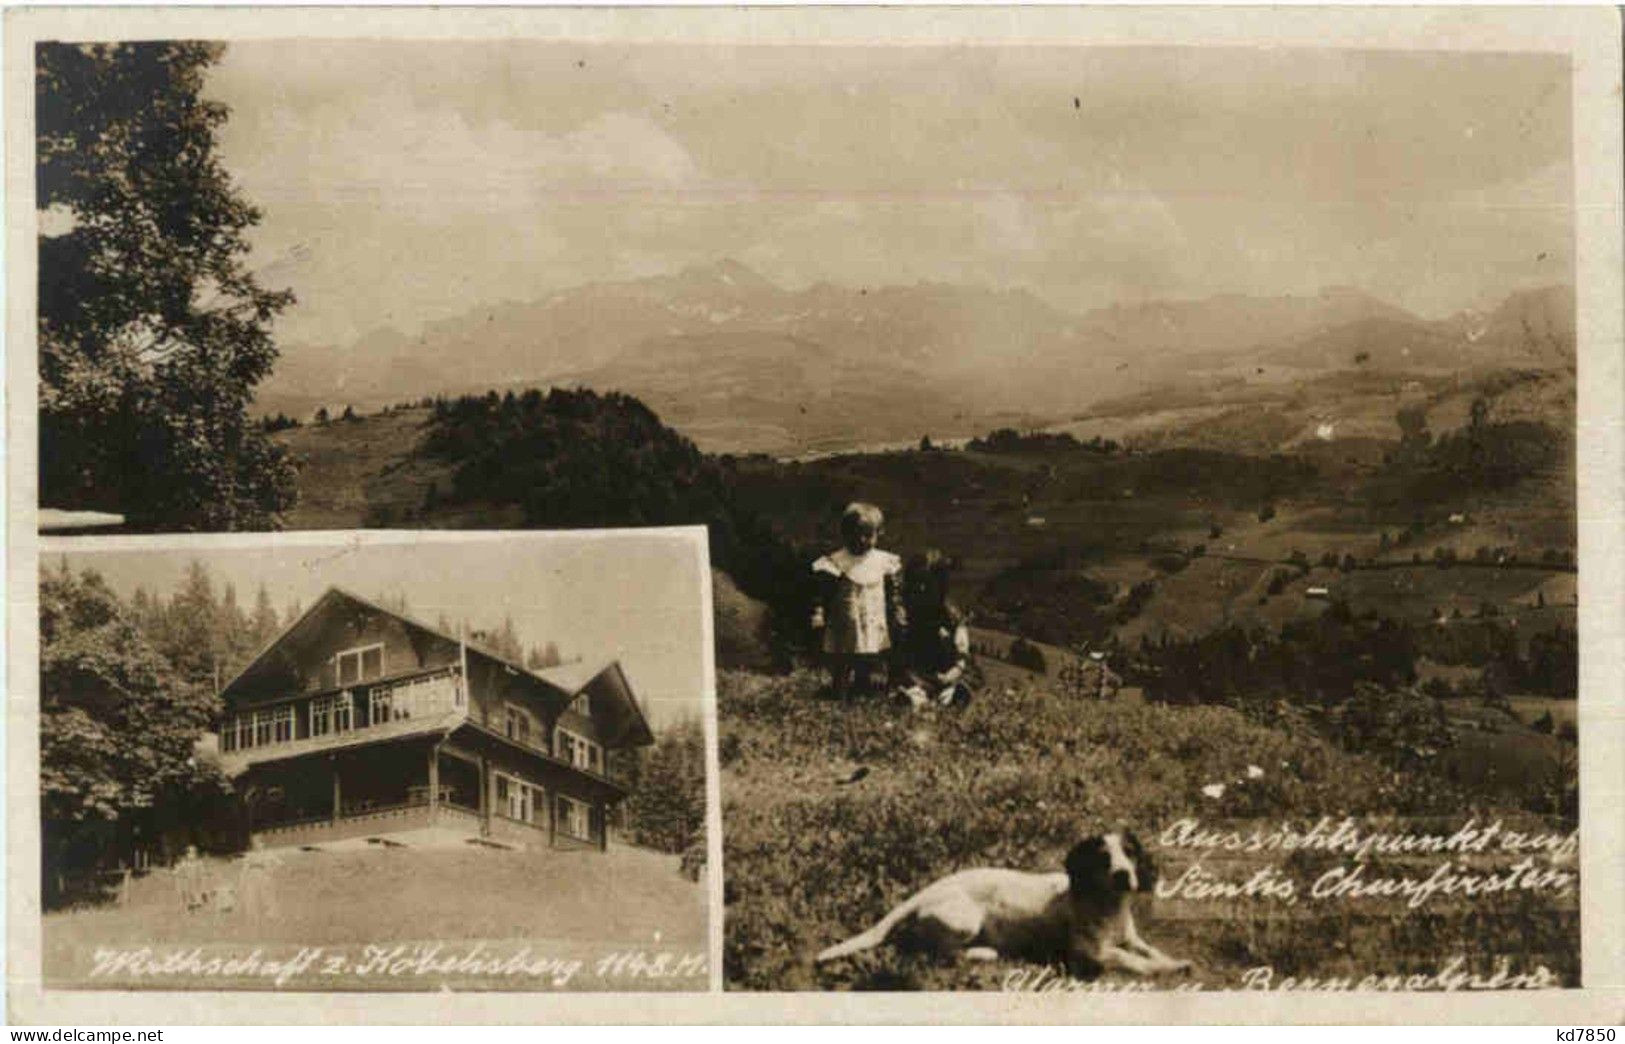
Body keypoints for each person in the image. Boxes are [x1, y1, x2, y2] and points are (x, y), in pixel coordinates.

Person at [811, 502, 905, 699]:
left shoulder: (883, 561)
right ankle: (841, 687)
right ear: (846, 534)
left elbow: (893, 589)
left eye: (869, 535)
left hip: (872, 613)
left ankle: (863, 684)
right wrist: (819, 611)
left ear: (878, 534)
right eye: (857, 534)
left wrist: (897, 607)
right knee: (845, 651)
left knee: (869, 649)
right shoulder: (837, 561)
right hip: (847, 616)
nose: (863, 540)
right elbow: (823, 590)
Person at [897, 549, 973, 708]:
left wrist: (953, 673)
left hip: (947, 673)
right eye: (917, 585)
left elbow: (962, 653)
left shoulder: (952, 619)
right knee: (914, 690)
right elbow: (902, 654)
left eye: (928, 585)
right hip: (917, 674)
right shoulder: (907, 618)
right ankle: (915, 697)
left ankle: (952, 695)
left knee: (952, 690)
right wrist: (914, 676)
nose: (922, 591)